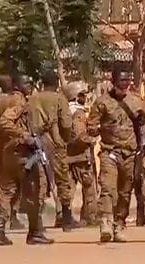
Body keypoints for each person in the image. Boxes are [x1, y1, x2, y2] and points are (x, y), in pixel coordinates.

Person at [87, 65, 145, 242]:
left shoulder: (138, 102)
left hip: (131, 154)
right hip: (110, 151)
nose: (125, 84)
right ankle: (106, 223)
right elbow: (91, 127)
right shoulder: (101, 103)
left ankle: (119, 224)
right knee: (108, 188)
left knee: (125, 192)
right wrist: (98, 129)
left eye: (127, 80)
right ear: (113, 81)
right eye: (121, 80)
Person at [0, 73, 53, 245]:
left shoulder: (0, 100)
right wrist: (26, 136)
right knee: (35, 192)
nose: (30, 85)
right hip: (22, 155)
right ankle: (35, 232)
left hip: (7, 152)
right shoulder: (19, 102)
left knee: (7, 192)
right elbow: (5, 122)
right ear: (18, 86)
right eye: (27, 82)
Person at [29, 69, 75, 232]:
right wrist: (66, 138)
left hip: (36, 143)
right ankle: (67, 218)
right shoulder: (59, 99)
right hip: (56, 144)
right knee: (62, 180)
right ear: (56, 84)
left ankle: (37, 222)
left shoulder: (33, 99)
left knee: (40, 181)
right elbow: (67, 123)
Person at [0, 75, 25, 230]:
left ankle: (3, 214)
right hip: (14, 145)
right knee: (17, 183)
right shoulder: (16, 101)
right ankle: (7, 214)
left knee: (6, 183)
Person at [64, 81, 99, 226]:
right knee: (89, 188)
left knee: (68, 188)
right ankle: (89, 217)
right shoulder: (78, 113)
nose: (85, 98)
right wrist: (91, 140)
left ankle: (64, 216)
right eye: (83, 95)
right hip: (81, 157)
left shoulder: (66, 111)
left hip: (67, 157)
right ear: (76, 96)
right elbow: (79, 134)